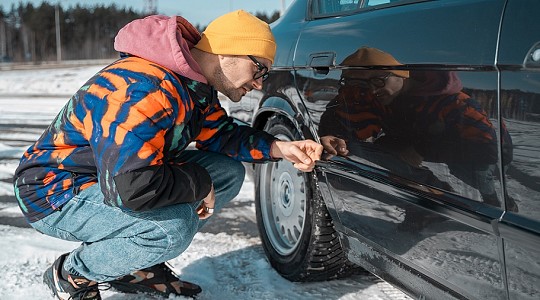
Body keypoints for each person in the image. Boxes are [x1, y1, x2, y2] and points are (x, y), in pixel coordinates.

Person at [13, 10, 323, 300]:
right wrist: (198, 183)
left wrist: (280, 148)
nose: (258, 83)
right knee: (171, 228)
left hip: (109, 179)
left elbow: (220, 134)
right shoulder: (146, 89)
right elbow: (133, 188)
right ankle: (74, 273)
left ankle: (138, 265)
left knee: (227, 174)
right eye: (259, 69)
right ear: (228, 52)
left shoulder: (192, 85)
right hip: (55, 192)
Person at [319, 47, 516, 210]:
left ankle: (496, 203)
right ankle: (432, 201)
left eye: (377, 81)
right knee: (374, 150)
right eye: (362, 85)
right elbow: (345, 110)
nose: (372, 90)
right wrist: (334, 135)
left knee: (477, 175)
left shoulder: (453, 102)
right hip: (428, 145)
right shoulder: (380, 96)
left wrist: (419, 149)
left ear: (401, 75)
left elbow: (488, 148)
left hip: (489, 152)